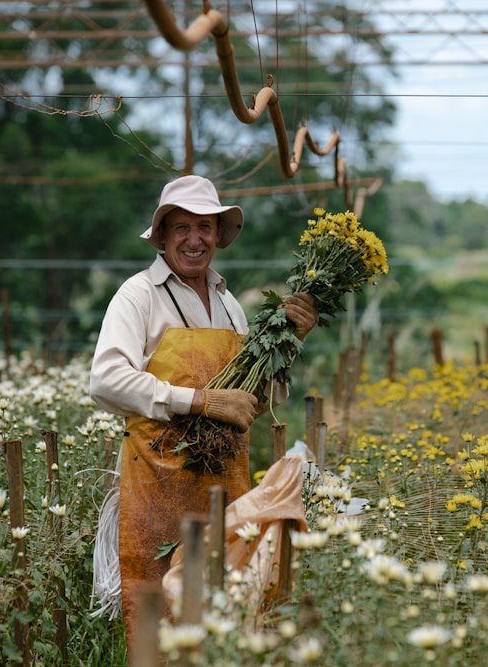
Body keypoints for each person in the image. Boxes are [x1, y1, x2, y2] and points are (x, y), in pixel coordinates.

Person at [89, 174, 319, 653]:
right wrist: (199, 401)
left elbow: (255, 397)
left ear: (219, 234)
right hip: (155, 485)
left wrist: (291, 341)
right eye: (181, 228)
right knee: (159, 619)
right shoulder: (139, 296)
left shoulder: (232, 305)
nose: (194, 239)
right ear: (163, 235)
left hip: (223, 485)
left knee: (225, 615)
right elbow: (106, 381)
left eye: (205, 227)